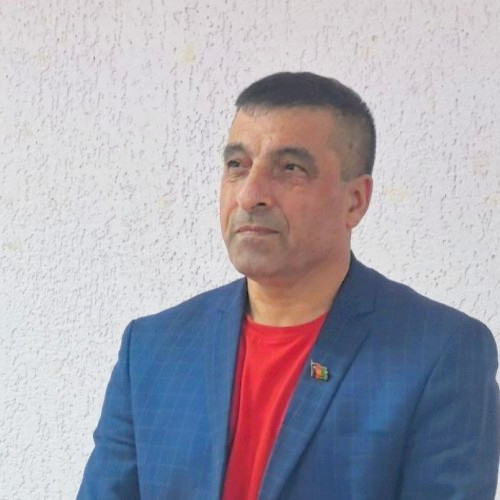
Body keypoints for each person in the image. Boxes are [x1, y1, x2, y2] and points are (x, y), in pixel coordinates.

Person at [77, 72, 499, 499]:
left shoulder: (441, 353)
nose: (250, 195)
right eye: (237, 165)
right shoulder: (151, 349)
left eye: (290, 169)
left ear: (355, 201)